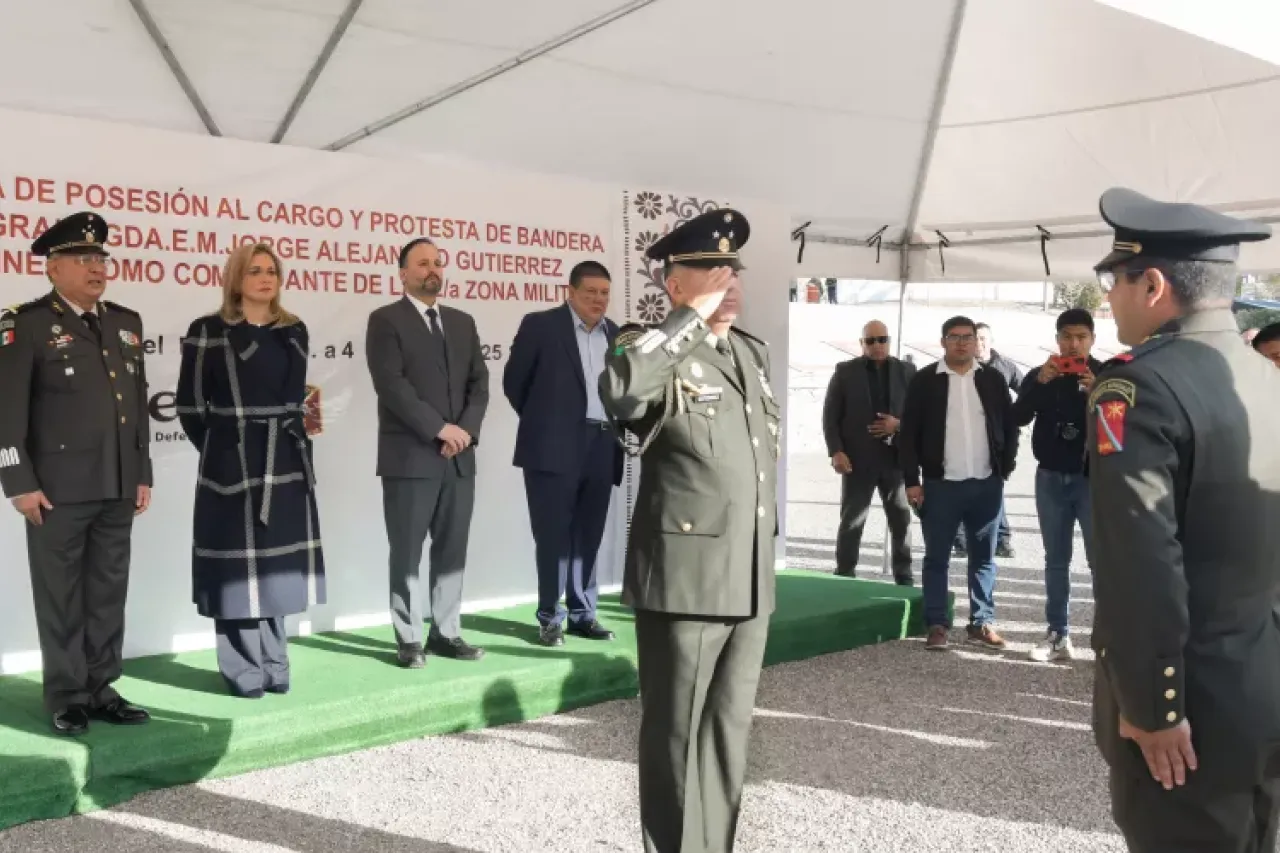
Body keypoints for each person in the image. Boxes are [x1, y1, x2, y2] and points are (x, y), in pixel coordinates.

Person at [1087, 187, 1280, 851]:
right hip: (1262, 682)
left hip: (1190, 710)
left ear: (1154, 285)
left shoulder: (1140, 386)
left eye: (1115, 279)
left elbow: (1140, 559)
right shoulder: (1265, 377)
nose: (1109, 297)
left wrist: (1153, 703)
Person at [601, 208, 779, 853]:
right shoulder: (644, 344)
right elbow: (622, 394)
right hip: (685, 577)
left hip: (748, 571)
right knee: (676, 732)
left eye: (731, 270)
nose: (724, 281)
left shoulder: (749, 353)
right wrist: (687, 321)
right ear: (673, 283)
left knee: (727, 733)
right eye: (707, 270)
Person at [0, 211, 152, 735]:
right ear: (53, 269)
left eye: (101, 257)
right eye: (84, 259)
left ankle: (102, 686)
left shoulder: (125, 322)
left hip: (116, 483)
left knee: (109, 588)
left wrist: (142, 471)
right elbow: (7, 412)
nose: (97, 267)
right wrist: (18, 484)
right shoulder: (26, 323)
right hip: (56, 491)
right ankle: (67, 693)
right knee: (61, 592)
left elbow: (135, 404)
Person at [175, 242, 326, 698]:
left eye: (272, 271)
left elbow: (296, 402)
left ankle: (276, 665)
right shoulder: (208, 330)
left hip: (284, 461)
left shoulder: (294, 329)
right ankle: (243, 671)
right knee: (235, 570)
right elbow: (188, 405)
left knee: (278, 567)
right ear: (236, 280)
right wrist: (223, 449)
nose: (265, 278)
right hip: (230, 463)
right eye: (255, 271)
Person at [366, 238, 490, 668]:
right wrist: (439, 429)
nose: (432, 269)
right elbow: (392, 385)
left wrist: (466, 432)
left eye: (437, 263)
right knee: (407, 551)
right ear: (402, 273)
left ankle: (447, 632)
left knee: (452, 549)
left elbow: (480, 383)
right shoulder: (385, 320)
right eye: (422, 263)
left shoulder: (463, 322)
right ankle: (408, 638)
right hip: (411, 459)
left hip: (459, 459)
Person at [503, 260, 623, 646]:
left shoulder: (618, 335)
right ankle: (549, 617)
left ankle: (583, 613)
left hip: (603, 444)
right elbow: (514, 383)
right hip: (552, 447)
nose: (598, 300)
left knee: (588, 535)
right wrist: (547, 423)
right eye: (590, 292)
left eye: (604, 293)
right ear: (569, 292)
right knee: (553, 538)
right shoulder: (540, 325)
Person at [900, 316, 1018, 652]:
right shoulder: (925, 380)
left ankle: (981, 622)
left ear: (976, 341)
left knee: (984, 558)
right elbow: (908, 435)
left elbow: (1009, 427)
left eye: (968, 337)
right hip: (941, 485)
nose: (962, 343)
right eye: (954, 337)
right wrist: (912, 481)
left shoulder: (993, 379)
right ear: (943, 342)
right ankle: (937, 624)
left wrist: (1004, 468)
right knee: (937, 558)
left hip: (985, 484)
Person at [1013, 309, 1103, 662]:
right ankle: (1057, 634)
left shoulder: (1109, 373)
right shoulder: (1041, 373)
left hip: (1093, 479)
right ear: (1057, 339)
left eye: (1081, 336)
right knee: (1056, 559)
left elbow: (1129, 421)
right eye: (1067, 336)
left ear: (1092, 339)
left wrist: (1100, 391)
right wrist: (1039, 385)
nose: (1074, 343)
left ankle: (1106, 639)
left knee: (1100, 560)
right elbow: (1017, 417)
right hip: (1049, 476)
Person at [821, 320, 916, 584]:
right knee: (852, 521)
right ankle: (844, 573)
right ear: (862, 343)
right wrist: (836, 451)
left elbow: (920, 416)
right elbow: (830, 416)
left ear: (889, 341)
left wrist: (897, 426)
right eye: (871, 340)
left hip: (895, 461)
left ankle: (904, 577)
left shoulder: (907, 371)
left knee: (901, 521)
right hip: (857, 459)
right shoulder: (845, 372)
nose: (877, 345)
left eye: (882, 339)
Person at [955, 322, 1021, 559]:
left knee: (995, 491)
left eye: (984, 339)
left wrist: (1012, 417)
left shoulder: (1006, 367)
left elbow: (1025, 394)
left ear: (991, 341)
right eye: (977, 339)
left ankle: (1002, 539)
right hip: (964, 439)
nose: (980, 343)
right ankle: (961, 540)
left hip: (996, 442)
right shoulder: (961, 368)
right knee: (961, 488)